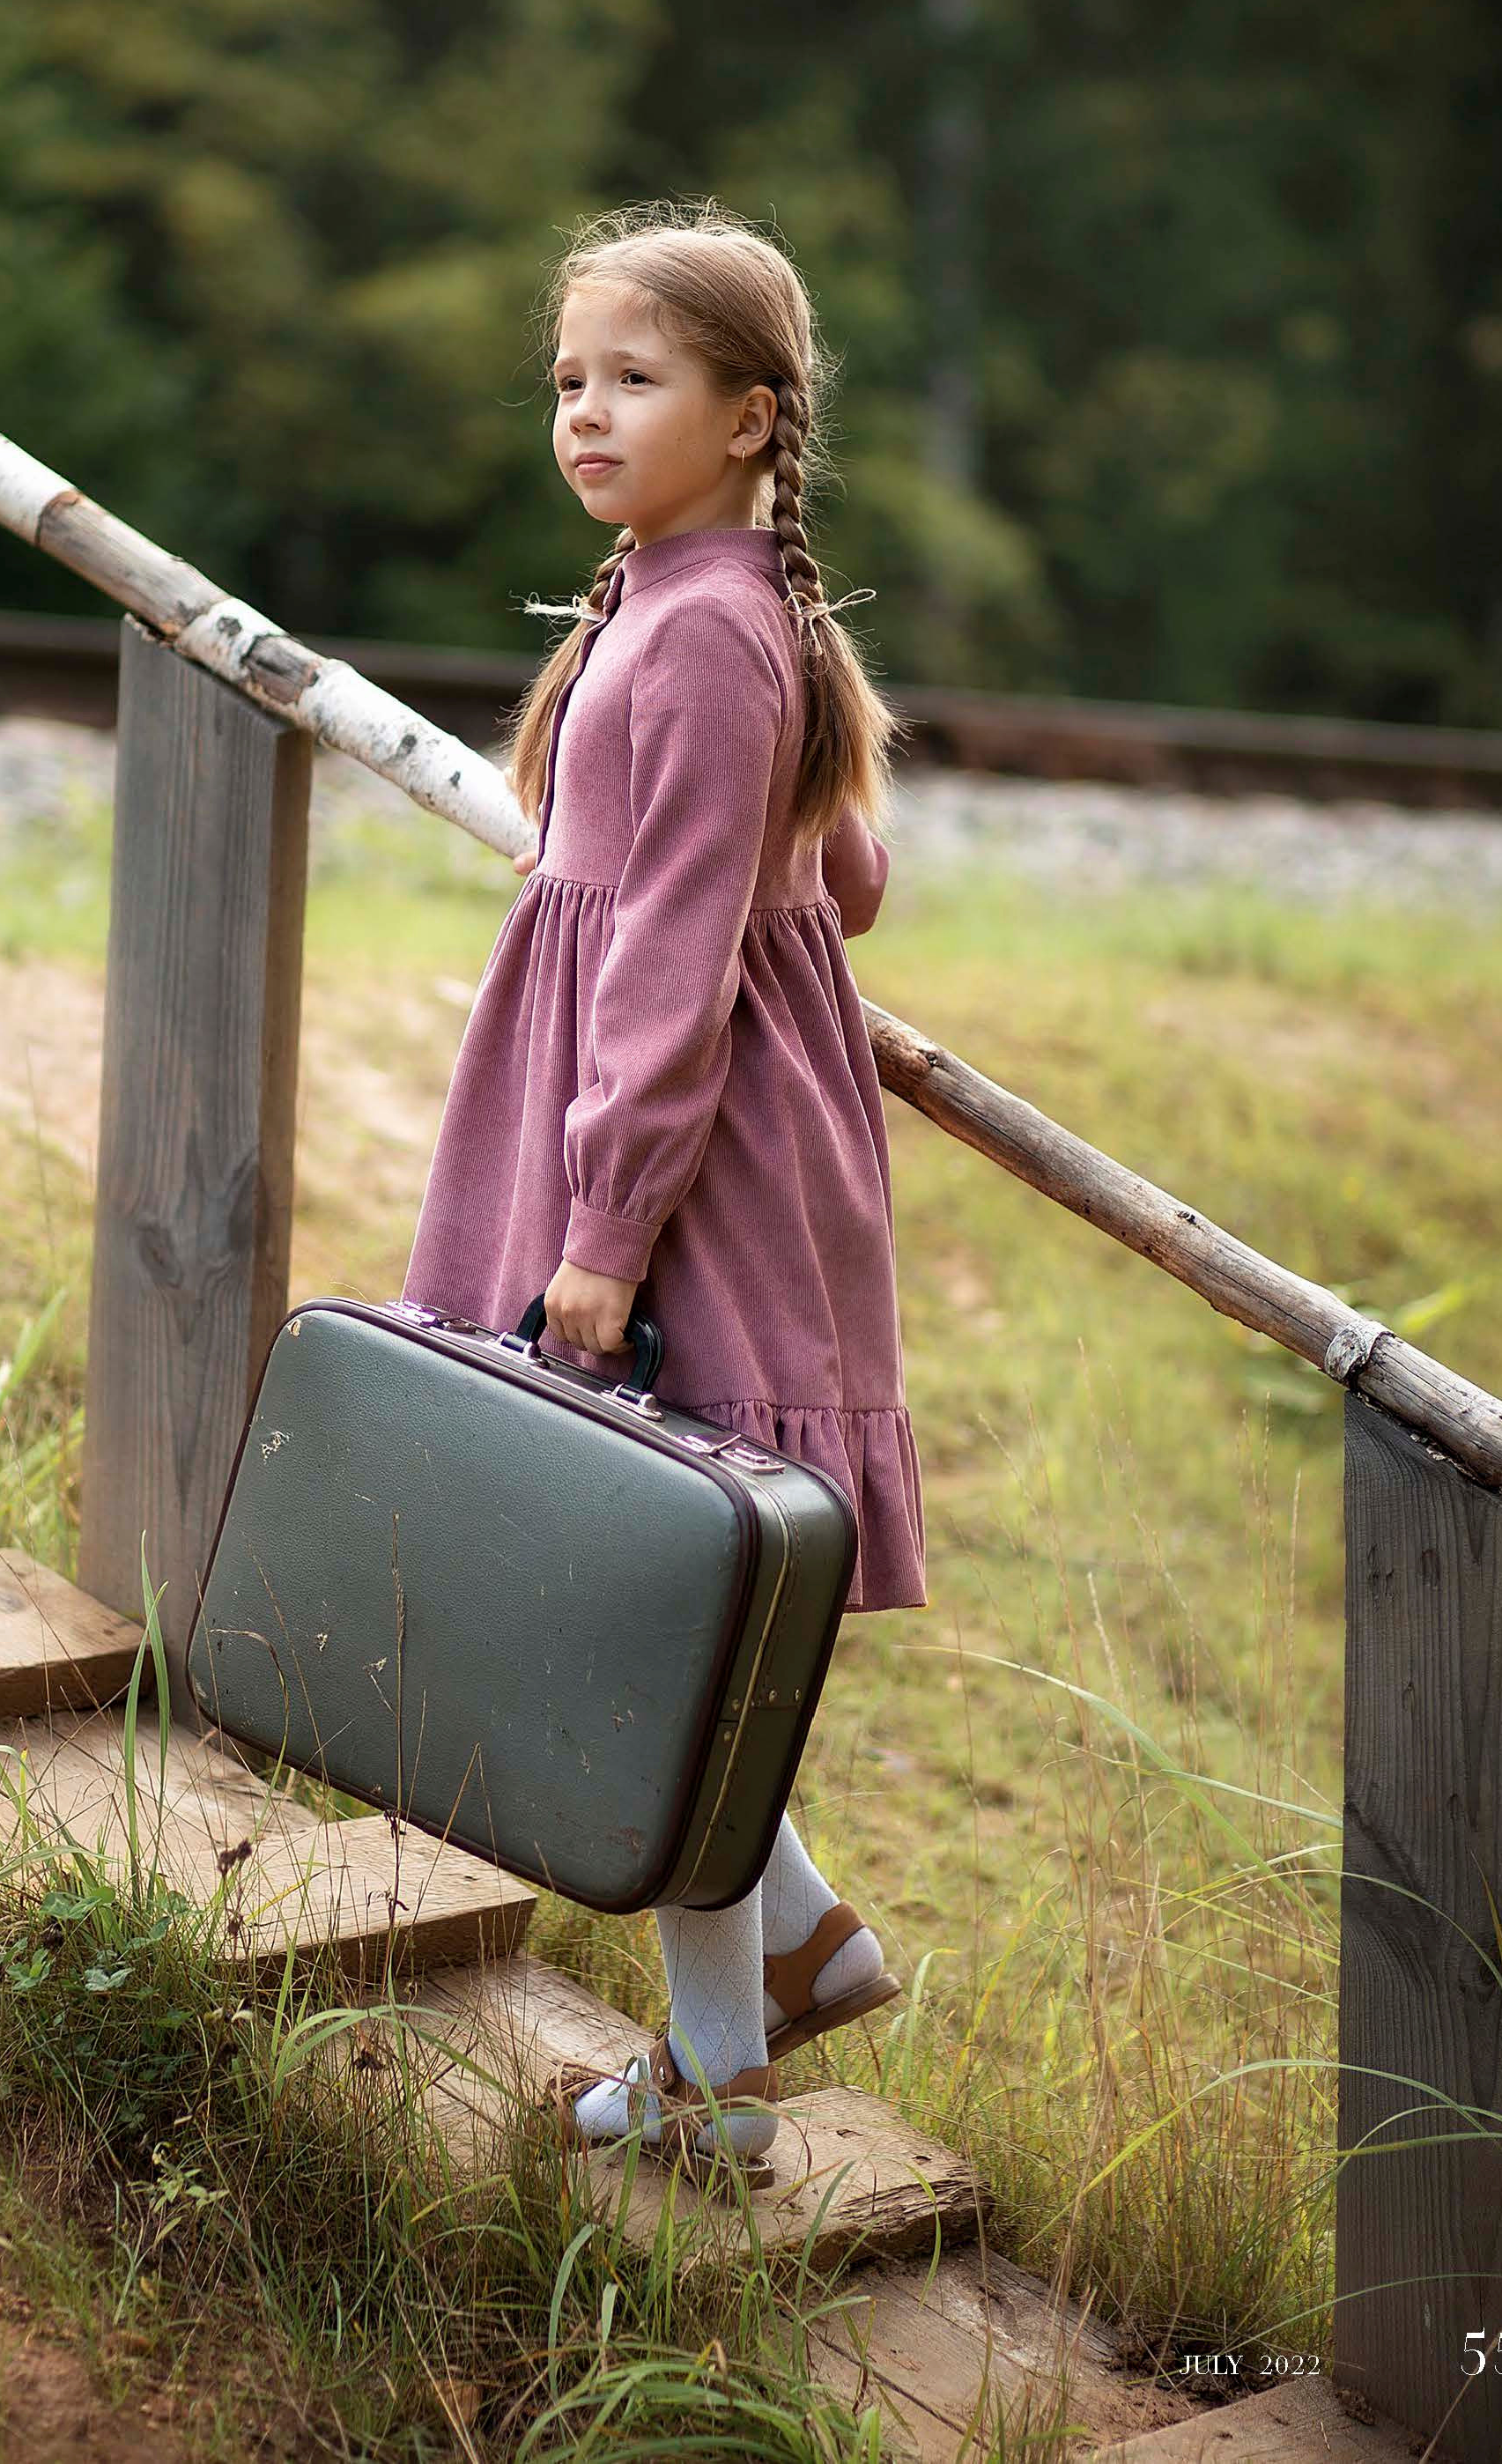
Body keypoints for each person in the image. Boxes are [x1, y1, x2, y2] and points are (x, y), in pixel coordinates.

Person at [401, 197, 929, 2186]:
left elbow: (684, 942)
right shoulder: (707, 603)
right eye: (569, 380)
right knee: (656, 1604)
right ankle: (780, 1960)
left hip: (673, 1169)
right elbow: (844, 881)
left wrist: (604, 1233)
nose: (585, 414)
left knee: (657, 1610)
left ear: (752, 417)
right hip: (663, 1130)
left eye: (635, 378)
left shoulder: (706, 629)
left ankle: (734, 2049)